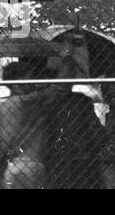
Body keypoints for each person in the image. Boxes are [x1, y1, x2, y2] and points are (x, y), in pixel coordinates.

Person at [40, 58, 106, 189]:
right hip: (82, 158)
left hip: (57, 157)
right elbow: (96, 131)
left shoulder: (45, 101)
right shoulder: (80, 101)